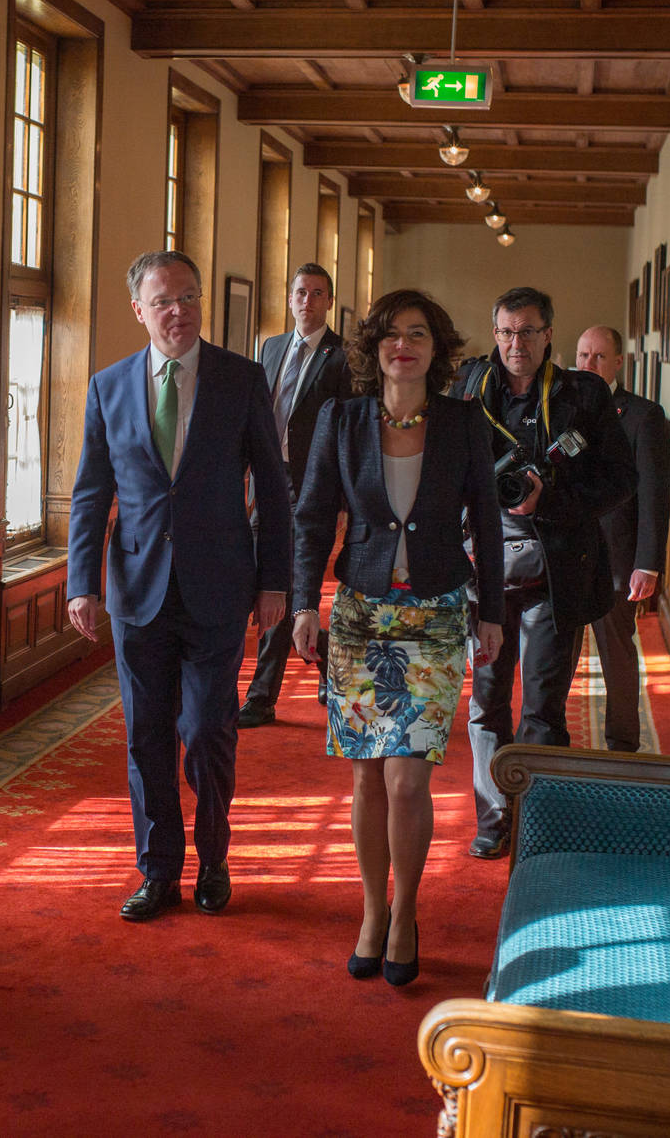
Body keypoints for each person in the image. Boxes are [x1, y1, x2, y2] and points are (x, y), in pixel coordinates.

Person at [67, 250, 292, 922]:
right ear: (138, 309)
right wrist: (83, 583)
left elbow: (275, 492)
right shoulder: (108, 387)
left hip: (220, 585)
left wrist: (276, 580)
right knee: (146, 737)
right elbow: (90, 493)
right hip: (135, 589)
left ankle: (214, 856)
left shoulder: (241, 379)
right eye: (163, 300)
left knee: (206, 729)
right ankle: (158, 868)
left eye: (188, 298)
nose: (178, 311)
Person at [291, 289, 504, 985]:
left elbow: (490, 525)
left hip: (438, 613)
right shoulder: (341, 419)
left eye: (417, 333)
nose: (402, 344)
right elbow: (313, 515)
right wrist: (302, 604)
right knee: (366, 776)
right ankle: (372, 910)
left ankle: (407, 909)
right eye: (389, 334)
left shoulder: (464, 422)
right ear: (373, 346)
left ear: (436, 349)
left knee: (408, 780)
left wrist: (492, 611)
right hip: (360, 615)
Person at [451, 287, 635, 859]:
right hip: (485, 572)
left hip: (556, 572)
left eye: (527, 332)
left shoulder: (583, 395)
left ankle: (539, 816)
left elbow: (619, 479)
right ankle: (495, 814)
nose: (515, 344)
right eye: (505, 332)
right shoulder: (469, 391)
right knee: (486, 703)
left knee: (543, 708)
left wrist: (548, 500)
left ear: (549, 334)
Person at [240, 263, 352, 729]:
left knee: (283, 586)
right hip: (266, 479)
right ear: (290, 299)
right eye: (300, 293)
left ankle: (262, 697)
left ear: (329, 301)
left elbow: (347, 427)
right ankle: (329, 662)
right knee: (258, 577)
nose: (308, 301)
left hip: (311, 486)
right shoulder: (270, 348)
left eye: (317, 294)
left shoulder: (343, 357)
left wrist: (342, 494)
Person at [574, 325, 670, 752]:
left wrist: (647, 563)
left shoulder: (642, 415)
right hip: (565, 557)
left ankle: (622, 743)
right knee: (555, 657)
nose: (589, 364)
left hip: (616, 560)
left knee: (616, 653)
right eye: (582, 356)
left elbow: (653, 492)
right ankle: (550, 740)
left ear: (618, 362)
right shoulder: (560, 408)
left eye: (598, 356)